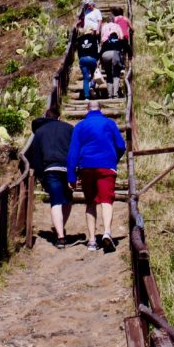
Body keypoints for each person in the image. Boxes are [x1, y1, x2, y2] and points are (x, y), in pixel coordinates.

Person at [67, 100, 126, 252]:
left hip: (86, 167)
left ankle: (92, 240)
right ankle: (107, 232)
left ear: (87, 109)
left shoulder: (79, 126)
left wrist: (71, 176)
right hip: (106, 166)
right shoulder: (109, 123)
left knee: (90, 202)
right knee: (107, 201)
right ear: (101, 109)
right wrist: (114, 158)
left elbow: (73, 152)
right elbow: (121, 145)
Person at [28, 106, 74, 248]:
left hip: (50, 169)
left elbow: (36, 156)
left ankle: (60, 237)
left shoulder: (40, 132)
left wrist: (41, 176)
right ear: (59, 117)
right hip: (67, 168)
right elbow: (75, 150)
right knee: (67, 200)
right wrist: (75, 171)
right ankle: (60, 228)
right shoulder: (69, 128)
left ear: (45, 117)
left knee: (56, 202)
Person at [99, 27, 127, 98]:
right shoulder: (119, 41)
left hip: (105, 56)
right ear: (117, 36)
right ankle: (115, 94)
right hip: (115, 55)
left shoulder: (106, 42)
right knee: (116, 75)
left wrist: (100, 62)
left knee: (109, 75)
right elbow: (127, 47)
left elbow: (100, 52)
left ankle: (109, 94)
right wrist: (130, 55)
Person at [75, 29, 99, 100]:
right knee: (93, 75)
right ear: (91, 32)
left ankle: (86, 96)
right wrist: (97, 59)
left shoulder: (80, 39)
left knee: (86, 78)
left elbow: (79, 51)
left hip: (83, 59)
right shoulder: (94, 38)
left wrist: (80, 59)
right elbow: (96, 49)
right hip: (92, 59)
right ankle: (92, 86)